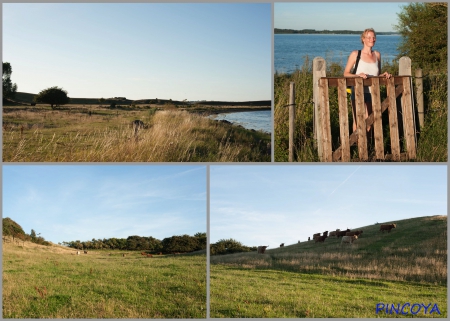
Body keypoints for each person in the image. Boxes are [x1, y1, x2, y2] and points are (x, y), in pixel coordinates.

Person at [344, 28, 392, 133]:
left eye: (374, 37)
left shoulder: (377, 55)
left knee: (370, 121)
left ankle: (368, 147)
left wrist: (383, 75)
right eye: (369, 37)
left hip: (373, 93)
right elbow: (346, 73)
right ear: (363, 39)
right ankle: (357, 146)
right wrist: (357, 75)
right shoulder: (355, 54)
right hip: (357, 92)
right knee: (358, 121)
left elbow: (376, 74)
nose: (372, 39)